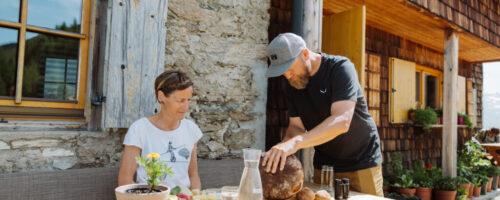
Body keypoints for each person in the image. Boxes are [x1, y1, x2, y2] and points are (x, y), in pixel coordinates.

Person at [261, 33, 383, 196]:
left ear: (305, 54)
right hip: (324, 166)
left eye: (289, 68)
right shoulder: (293, 84)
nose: (287, 75)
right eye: (282, 71)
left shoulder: (340, 68)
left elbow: (341, 121)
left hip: (361, 162)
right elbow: (296, 126)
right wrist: (284, 147)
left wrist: (295, 143)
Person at [118, 70, 203, 190]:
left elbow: (193, 176)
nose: (186, 107)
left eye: (188, 100)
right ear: (161, 96)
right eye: (180, 100)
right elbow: (125, 181)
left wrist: (195, 196)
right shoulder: (140, 129)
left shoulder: (191, 130)